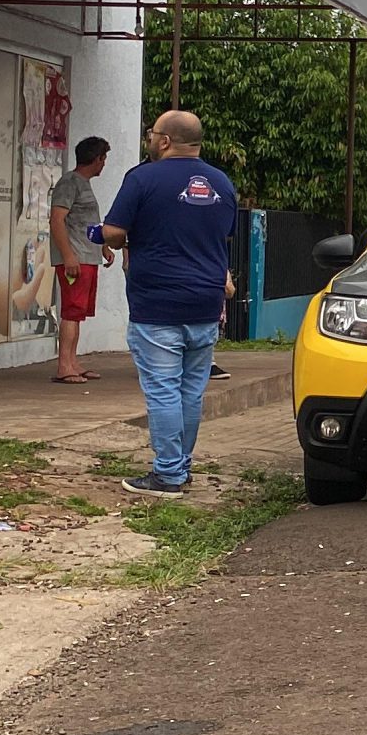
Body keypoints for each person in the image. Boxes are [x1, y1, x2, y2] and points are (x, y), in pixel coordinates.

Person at [101, 111, 238, 496]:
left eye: (152, 134)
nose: (149, 139)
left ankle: (168, 474)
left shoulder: (142, 177)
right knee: (190, 392)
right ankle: (182, 465)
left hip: (157, 302)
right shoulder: (222, 184)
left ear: (164, 141)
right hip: (206, 304)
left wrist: (109, 236)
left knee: (162, 389)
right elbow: (222, 235)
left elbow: (114, 233)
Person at [47, 136, 115, 383]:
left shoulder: (84, 184)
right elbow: (56, 220)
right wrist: (68, 256)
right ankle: (64, 365)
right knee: (71, 312)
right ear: (96, 159)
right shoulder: (69, 183)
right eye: (103, 159)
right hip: (75, 258)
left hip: (88, 255)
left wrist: (103, 247)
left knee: (78, 313)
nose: (104, 164)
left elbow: (88, 222)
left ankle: (73, 361)